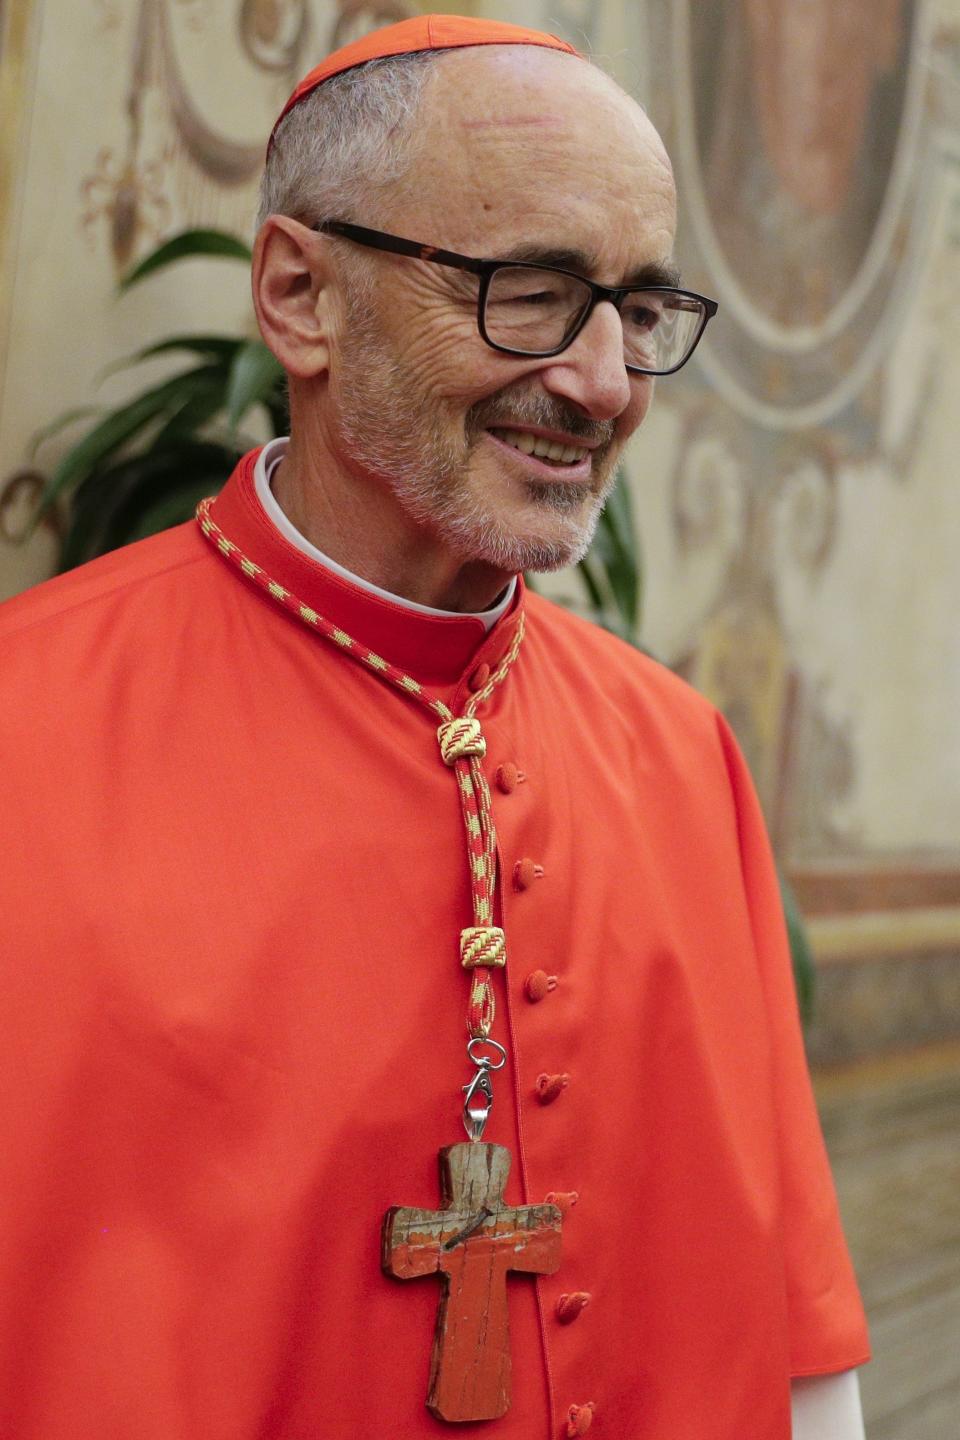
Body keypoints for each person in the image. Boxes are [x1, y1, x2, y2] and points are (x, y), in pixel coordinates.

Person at [0, 15, 868, 1439]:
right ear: (300, 297)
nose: (602, 385)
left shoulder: (682, 751)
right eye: (527, 291)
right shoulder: (24, 730)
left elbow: (796, 1322)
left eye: (639, 311)